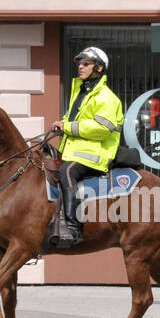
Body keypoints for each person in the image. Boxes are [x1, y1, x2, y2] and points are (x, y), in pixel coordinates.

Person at [49, 46, 123, 247]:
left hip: (95, 154)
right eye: (79, 63)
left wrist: (68, 127)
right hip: (75, 151)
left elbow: (102, 128)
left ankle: (72, 228)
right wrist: (61, 125)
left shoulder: (106, 97)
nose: (80, 67)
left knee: (67, 172)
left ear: (98, 68)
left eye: (86, 63)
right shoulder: (82, 92)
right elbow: (74, 120)